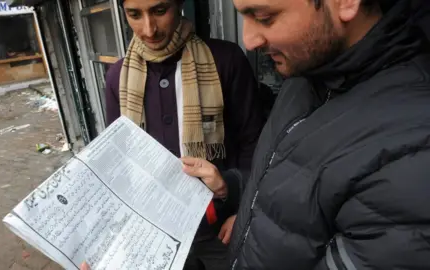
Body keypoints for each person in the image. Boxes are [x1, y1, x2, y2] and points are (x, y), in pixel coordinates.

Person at [181, 0, 430, 269]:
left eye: (264, 17)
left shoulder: (412, 151)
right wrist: (231, 187)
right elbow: (296, 182)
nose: (249, 40)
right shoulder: (307, 72)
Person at [103, 0, 264, 269]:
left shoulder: (225, 61)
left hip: (222, 229)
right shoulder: (117, 77)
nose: (149, 29)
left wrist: (244, 211)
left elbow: (255, 144)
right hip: (154, 235)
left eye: (159, 10)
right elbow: (120, 159)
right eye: (134, 14)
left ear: (178, 4)